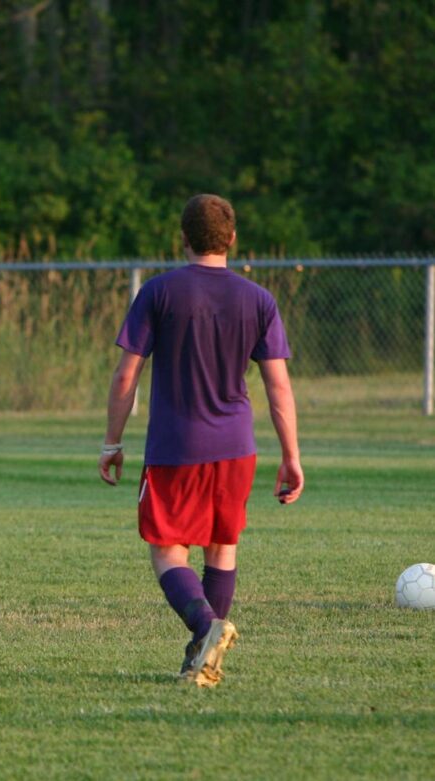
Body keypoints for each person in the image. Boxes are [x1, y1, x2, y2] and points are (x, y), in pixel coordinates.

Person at [98, 193, 303, 688]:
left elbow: (127, 377)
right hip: (237, 447)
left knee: (168, 549)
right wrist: (292, 456)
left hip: (176, 447)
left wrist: (111, 442)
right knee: (221, 545)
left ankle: (206, 627)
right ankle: (202, 657)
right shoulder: (259, 300)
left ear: (183, 238)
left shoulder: (159, 292)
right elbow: (278, 387)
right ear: (232, 239)